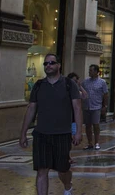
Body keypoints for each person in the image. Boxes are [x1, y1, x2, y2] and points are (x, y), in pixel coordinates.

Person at [20, 54, 82, 195]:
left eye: (52, 63)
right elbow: (31, 108)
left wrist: (78, 131)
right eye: (46, 63)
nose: (48, 65)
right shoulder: (39, 85)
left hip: (62, 134)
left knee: (63, 169)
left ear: (58, 65)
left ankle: (67, 185)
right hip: (41, 134)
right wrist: (23, 133)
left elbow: (77, 107)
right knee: (42, 170)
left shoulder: (68, 84)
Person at [81, 64, 108, 150]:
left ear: (97, 72)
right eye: (89, 70)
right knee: (88, 125)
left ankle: (97, 142)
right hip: (86, 106)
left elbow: (105, 94)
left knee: (96, 125)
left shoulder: (102, 82)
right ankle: (90, 143)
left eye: (91, 70)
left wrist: (105, 106)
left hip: (96, 106)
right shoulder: (85, 82)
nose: (89, 72)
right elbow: (80, 89)